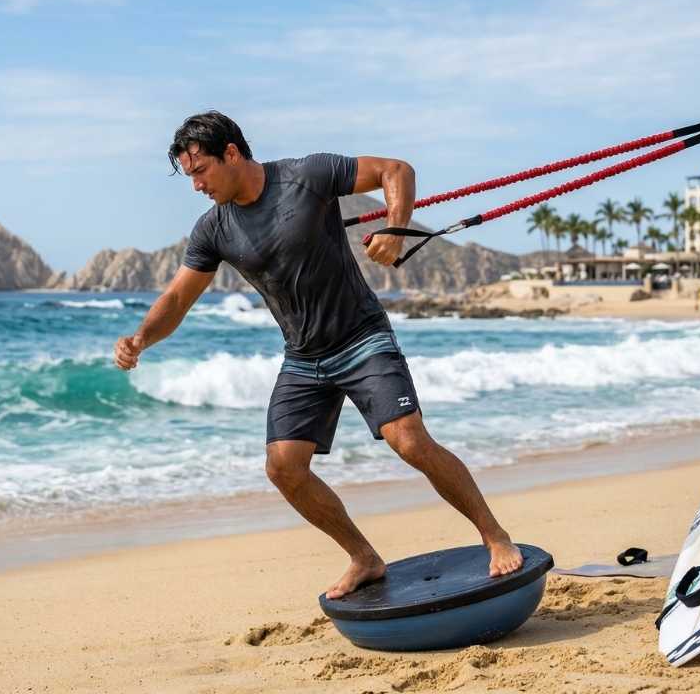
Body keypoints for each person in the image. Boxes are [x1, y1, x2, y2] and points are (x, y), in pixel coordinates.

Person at [113, 112, 522, 599]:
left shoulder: (306, 175)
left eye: (200, 171)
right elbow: (179, 298)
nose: (196, 184)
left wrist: (395, 229)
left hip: (361, 336)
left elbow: (396, 170)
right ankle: (364, 557)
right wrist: (141, 338)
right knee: (284, 467)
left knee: (409, 441)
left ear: (231, 153)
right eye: (190, 176)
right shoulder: (213, 229)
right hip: (304, 357)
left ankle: (494, 536)